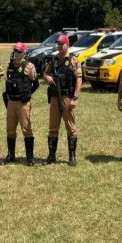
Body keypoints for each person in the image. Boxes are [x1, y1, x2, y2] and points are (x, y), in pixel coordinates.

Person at [43, 34, 82, 166]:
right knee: (53, 127)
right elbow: (45, 73)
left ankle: (72, 156)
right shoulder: (54, 60)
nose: (59, 46)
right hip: (55, 97)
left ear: (67, 44)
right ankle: (51, 155)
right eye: (58, 44)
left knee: (70, 128)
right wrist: (47, 78)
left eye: (62, 44)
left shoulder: (73, 60)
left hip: (67, 97)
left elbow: (79, 79)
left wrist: (75, 98)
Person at [3, 42, 38, 166]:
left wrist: (27, 94)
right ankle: (11, 155)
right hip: (11, 102)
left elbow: (36, 83)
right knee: (10, 130)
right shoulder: (10, 66)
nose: (16, 53)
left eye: (18, 51)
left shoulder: (29, 67)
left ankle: (30, 158)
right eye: (15, 51)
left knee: (26, 129)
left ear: (24, 53)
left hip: (23, 103)